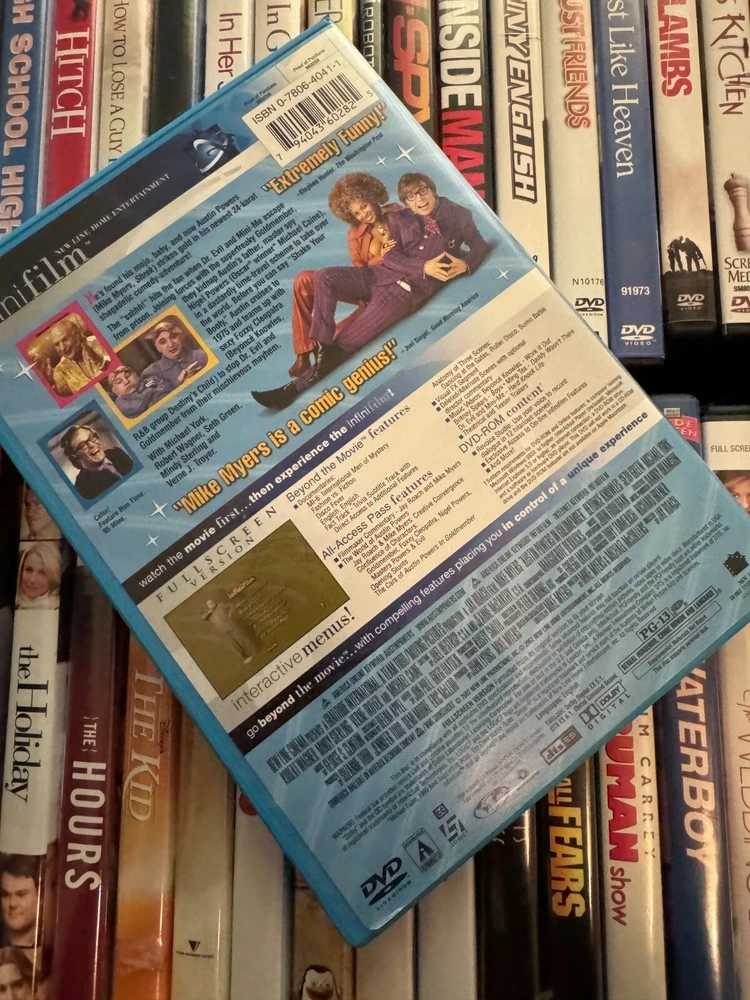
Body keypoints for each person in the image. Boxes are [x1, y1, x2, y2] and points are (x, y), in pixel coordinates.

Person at [252, 172, 491, 410]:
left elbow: (478, 245)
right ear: (406, 201)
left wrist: (465, 263)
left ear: (432, 188)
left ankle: (291, 390)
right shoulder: (402, 217)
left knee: (343, 343)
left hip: (398, 294)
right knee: (324, 276)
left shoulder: (457, 214)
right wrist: (422, 266)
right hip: (375, 277)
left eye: (422, 192)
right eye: (411, 197)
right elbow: (391, 256)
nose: (418, 200)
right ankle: (321, 345)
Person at [289, 173, 400, 377]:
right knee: (303, 279)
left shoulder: (398, 213)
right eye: (356, 213)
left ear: (372, 197)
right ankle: (304, 353)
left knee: (337, 338)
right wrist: (380, 257)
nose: (363, 215)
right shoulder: (354, 234)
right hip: (365, 287)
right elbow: (359, 271)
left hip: (387, 292)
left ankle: (319, 353)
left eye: (364, 206)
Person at [59, 424, 133, 500]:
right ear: (76, 457)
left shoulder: (116, 453)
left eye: (91, 438)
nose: (92, 445)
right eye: (82, 446)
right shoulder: (82, 487)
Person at [44, 316, 109, 397]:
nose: (62, 348)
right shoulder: (60, 371)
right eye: (57, 344)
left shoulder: (100, 343)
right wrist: (50, 383)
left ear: (77, 335)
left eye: (65, 340)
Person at [141, 319, 208, 391]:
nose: (171, 344)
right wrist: (178, 382)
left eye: (173, 337)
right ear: (157, 348)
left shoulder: (201, 356)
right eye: (163, 342)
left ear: (181, 337)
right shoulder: (151, 373)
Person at [202, 599, 259, 664]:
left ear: (214, 602)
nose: (211, 604)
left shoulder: (221, 605)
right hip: (224, 632)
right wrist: (208, 613)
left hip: (232, 627)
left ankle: (253, 652)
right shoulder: (209, 614)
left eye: (212, 602)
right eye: (209, 604)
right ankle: (245, 658)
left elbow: (232, 605)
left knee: (242, 640)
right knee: (235, 645)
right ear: (208, 606)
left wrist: (230, 613)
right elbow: (203, 618)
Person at [106, 364, 171, 418]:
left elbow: (168, 388)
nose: (126, 382)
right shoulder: (120, 406)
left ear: (136, 375)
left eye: (127, 376)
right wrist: (152, 391)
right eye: (119, 382)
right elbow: (139, 406)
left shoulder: (152, 379)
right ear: (114, 391)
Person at [15, 543, 61, 610]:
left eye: (42, 573)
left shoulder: (58, 610)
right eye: (28, 570)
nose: (32, 580)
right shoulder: (6, 611)